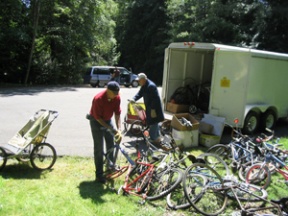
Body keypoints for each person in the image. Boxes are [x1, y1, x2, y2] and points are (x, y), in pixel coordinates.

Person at [87, 81, 122, 184]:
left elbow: (117, 113)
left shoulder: (117, 97)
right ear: (108, 90)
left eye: (117, 93)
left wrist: (118, 129)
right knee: (99, 148)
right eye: (114, 93)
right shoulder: (98, 99)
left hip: (107, 120)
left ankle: (110, 168)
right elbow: (98, 118)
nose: (116, 95)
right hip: (96, 121)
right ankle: (99, 175)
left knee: (110, 144)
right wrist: (111, 129)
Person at [130, 73, 164, 144]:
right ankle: (157, 137)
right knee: (153, 122)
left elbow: (155, 99)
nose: (138, 82)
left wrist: (153, 109)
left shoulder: (151, 86)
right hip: (150, 107)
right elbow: (140, 93)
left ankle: (153, 139)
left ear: (143, 79)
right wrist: (134, 99)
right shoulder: (144, 85)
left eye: (139, 80)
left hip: (154, 108)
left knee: (153, 122)